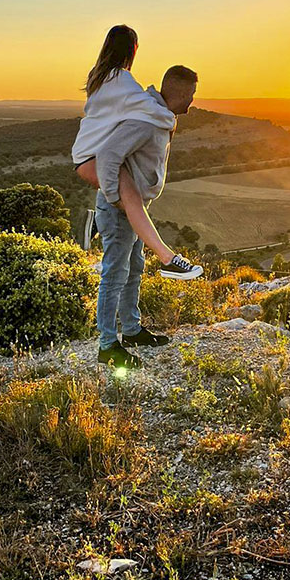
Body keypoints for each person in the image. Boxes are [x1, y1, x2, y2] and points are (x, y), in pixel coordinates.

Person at [71, 26, 202, 366]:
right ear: (182, 92)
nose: (193, 102)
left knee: (133, 267)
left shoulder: (121, 89)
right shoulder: (143, 115)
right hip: (116, 201)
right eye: (191, 95)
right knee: (115, 270)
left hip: (128, 200)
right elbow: (111, 156)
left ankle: (130, 328)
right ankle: (107, 346)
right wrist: (116, 198)